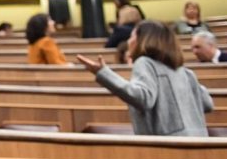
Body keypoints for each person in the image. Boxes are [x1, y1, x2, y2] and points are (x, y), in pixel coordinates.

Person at [77, 20, 213, 136]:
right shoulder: (185, 72)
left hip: (168, 149)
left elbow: (143, 98)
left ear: (143, 39)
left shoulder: (145, 62)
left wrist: (103, 73)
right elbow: (207, 104)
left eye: (131, 36)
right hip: (199, 141)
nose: (129, 41)